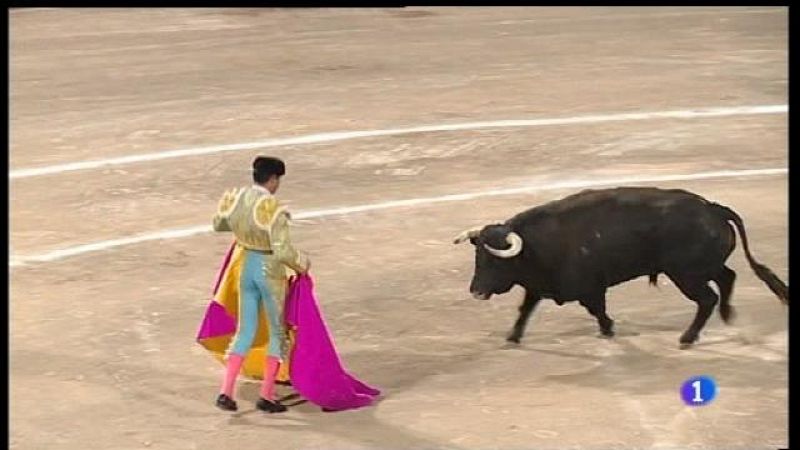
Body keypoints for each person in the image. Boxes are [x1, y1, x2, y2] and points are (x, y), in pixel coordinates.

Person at [206, 156, 309, 413]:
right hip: (269, 272)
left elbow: (218, 225)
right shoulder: (273, 210)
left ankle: (226, 392)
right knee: (277, 332)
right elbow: (283, 252)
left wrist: (223, 207)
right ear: (272, 179)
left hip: (245, 268)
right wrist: (302, 264)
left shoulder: (237, 199)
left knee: (245, 330)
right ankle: (267, 395)